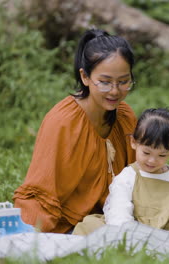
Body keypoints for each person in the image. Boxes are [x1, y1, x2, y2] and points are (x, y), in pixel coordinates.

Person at [13, 28, 138, 233]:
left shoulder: (124, 116)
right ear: (85, 77)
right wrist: (30, 237)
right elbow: (41, 191)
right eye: (105, 82)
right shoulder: (64, 121)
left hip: (112, 220)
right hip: (66, 226)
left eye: (124, 82)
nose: (115, 91)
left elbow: (138, 176)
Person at [73, 108, 169, 240]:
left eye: (162, 155)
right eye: (146, 152)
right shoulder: (128, 177)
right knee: (92, 227)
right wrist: (129, 237)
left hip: (165, 233)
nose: (152, 160)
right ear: (134, 143)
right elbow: (119, 213)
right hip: (130, 230)